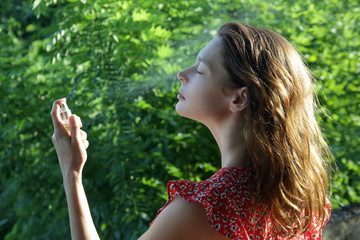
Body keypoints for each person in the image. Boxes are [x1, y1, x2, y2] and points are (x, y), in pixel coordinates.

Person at [51, 22, 332, 240]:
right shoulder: (299, 202)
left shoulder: (208, 207)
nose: (181, 74)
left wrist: (72, 172)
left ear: (238, 98)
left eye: (200, 69)